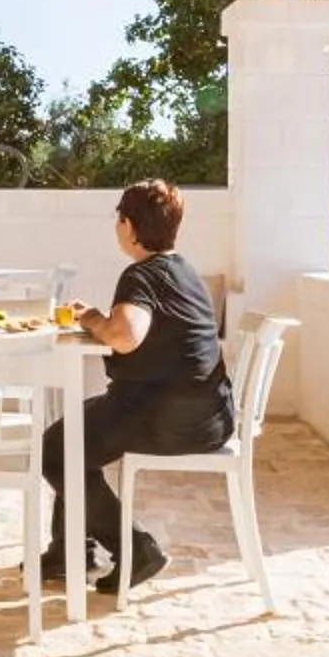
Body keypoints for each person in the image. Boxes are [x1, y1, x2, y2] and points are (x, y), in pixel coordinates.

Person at [42, 179, 232, 594]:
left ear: (128, 226)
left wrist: (91, 317)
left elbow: (126, 335)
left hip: (167, 415)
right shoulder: (184, 271)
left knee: (55, 450)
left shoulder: (141, 275)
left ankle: (134, 550)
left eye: (119, 219)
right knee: (71, 435)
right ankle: (67, 552)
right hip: (210, 415)